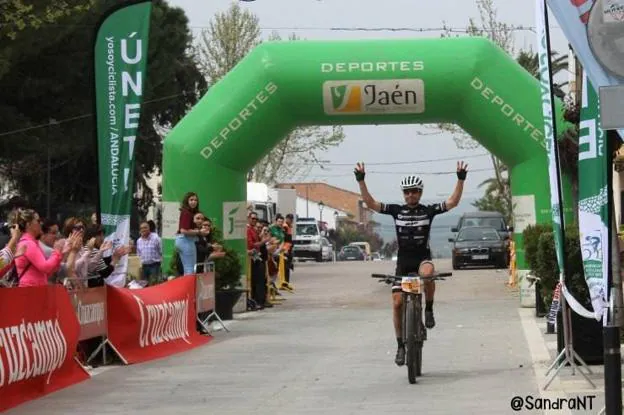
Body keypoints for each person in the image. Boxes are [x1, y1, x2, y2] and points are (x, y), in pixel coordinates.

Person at [353, 160, 468, 366]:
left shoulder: (428, 210)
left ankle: (429, 309)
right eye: (407, 192)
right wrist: (361, 181)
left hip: (422, 258)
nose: (410, 195)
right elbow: (371, 204)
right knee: (397, 303)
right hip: (403, 263)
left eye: (414, 192)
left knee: (427, 274)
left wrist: (460, 179)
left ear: (420, 193)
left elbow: (452, 202)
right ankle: (400, 345)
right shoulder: (396, 211)